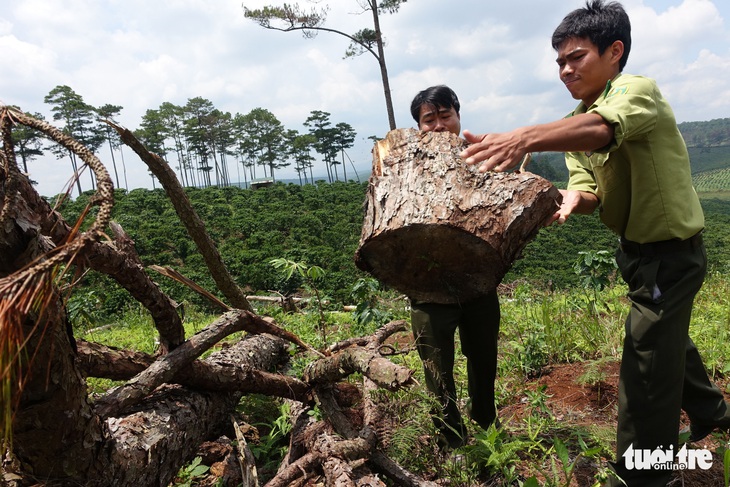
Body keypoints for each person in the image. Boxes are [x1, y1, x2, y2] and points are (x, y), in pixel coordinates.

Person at [459, 1, 730, 485]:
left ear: (615, 51)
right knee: (665, 340)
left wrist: (521, 137)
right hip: (636, 253)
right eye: (559, 62)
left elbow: (604, 130)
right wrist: (562, 198)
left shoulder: (636, 91)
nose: (565, 70)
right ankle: (712, 412)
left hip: (672, 254)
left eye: (576, 57)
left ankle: (645, 472)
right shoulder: (573, 121)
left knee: (646, 367)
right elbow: (589, 190)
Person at [408, 85, 501, 450]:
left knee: (483, 359)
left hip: (477, 283)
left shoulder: (480, 158)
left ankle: (486, 426)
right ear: (418, 127)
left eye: (445, 116)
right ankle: (450, 440)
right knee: (436, 371)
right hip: (427, 288)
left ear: (459, 117)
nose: (438, 126)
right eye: (428, 119)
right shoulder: (405, 167)